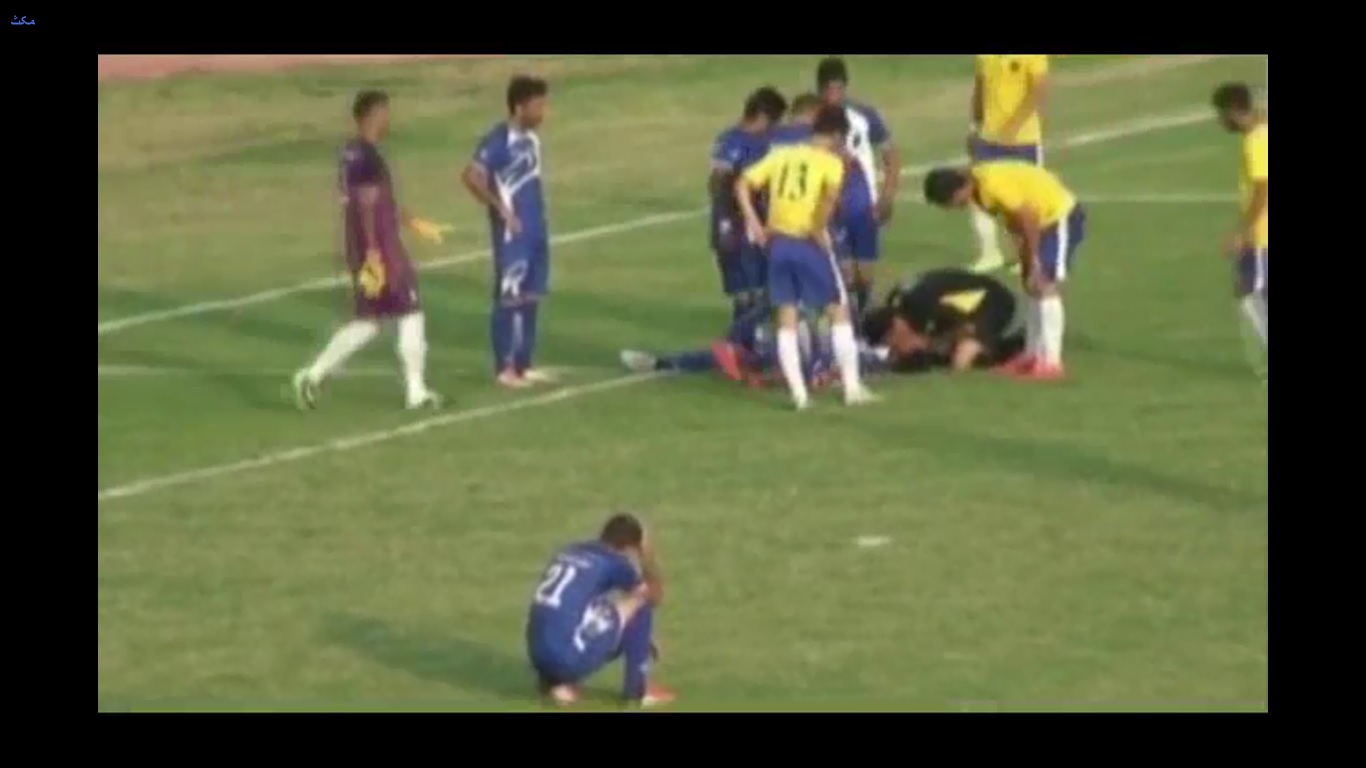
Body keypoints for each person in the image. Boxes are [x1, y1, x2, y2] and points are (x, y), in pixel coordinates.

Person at [293, 90, 451, 411]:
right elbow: (367, 204)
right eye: (385, 113)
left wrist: (413, 222)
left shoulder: (351, 154)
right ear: (372, 115)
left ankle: (313, 375)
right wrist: (375, 253)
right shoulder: (366, 156)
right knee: (410, 310)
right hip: (380, 249)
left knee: (370, 320)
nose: (389, 119)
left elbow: (379, 201)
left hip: (365, 246)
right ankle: (416, 391)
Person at [735, 105, 877, 409]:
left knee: (786, 317)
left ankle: (799, 397)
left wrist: (755, 224)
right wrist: (817, 229)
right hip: (808, 243)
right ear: (837, 135)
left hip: (778, 244)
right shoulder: (831, 163)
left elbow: (742, 184)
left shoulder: (782, 154)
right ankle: (852, 390)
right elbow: (828, 200)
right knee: (838, 311)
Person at [921, 163, 1086, 380]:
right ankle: (1031, 355)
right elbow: (1014, 222)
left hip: (1058, 216)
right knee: (1032, 286)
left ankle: (1051, 363)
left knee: (1045, 283)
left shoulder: (992, 185)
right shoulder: (979, 191)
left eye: (950, 202)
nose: (952, 208)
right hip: (1040, 222)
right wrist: (1025, 261)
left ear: (959, 189)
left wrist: (1033, 260)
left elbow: (1029, 217)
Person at [525, 513, 674, 708]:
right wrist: (647, 554)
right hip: (567, 657)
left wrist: (637, 635)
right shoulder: (614, 561)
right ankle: (638, 690)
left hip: (537, 656)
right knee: (640, 601)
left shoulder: (570, 551)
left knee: (586, 611)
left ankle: (556, 684)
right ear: (630, 547)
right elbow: (653, 595)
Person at [462, 76, 554, 389]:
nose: (543, 113)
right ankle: (504, 368)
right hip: (512, 235)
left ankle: (524, 365)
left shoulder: (532, 140)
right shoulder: (498, 141)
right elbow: (471, 176)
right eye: (537, 106)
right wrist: (500, 209)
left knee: (531, 297)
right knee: (509, 299)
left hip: (536, 229)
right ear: (518, 107)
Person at [817, 57, 900, 319]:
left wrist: (887, 196)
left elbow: (891, 155)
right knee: (844, 274)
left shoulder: (865, 115)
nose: (834, 95)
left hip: (864, 203)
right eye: (829, 89)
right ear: (820, 89)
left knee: (864, 274)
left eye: (838, 88)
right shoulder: (813, 119)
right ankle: (847, 323)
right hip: (830, 205)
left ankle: (861, 318)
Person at [709, 87, 788, 323]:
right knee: (743, 291)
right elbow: (716, 184)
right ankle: (744, 335)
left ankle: (753, 334)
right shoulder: (729, 142)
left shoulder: (769, 140)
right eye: (773, 122)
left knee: (762, 286)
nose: (774, 127)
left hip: (759, 221)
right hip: (734, 225)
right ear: (762, 116)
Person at [968, 55, 1051, 274]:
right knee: (980, 196)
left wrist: (1013, 126)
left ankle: (1030, 255)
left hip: (1023, 139)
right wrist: (974, 126)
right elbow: (980, 89)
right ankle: (989, 253)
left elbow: (1037, 90)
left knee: (1025, 200)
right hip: (988, 138)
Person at [860, 268, 1025, 373]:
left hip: (991, 300)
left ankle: (1014, 348)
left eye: (892, 344)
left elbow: (966, 328)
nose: (895, 349)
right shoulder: (901, 305)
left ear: (894, 330)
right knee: (943, 350)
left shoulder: (920, 308)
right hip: (963, 304)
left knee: (961, 360)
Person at [1212, 82, 1268, 351]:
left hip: (1262, 236)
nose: (1220, 121)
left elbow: (1262, 190)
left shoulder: (1256, 141)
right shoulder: (1261, 132)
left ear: (1234, 111)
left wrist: (1242, 233)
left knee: (1249, 292)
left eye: (1221, 114)